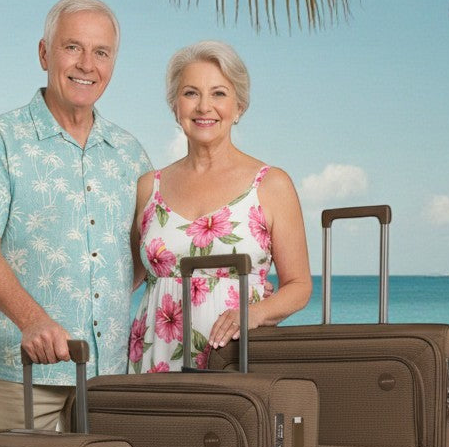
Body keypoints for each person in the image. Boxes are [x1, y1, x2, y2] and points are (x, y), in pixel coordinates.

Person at [0, 0, 151, 429]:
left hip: (108, 373)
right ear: (44, 53)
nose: (86, 64)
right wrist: (33, 320)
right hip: (18, 369)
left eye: (101, 52)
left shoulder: (130, 154)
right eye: (72, 47)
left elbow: (139, 254)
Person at [128, 40, 312, 372]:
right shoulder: (148, 187)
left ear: (239, 107)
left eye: (219, 93)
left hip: (235, 357)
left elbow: (299, 286)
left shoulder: (271, 185)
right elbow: (127, 276)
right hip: (154, 357)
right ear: (175, 106)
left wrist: (253, 313)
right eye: (190, 93)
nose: (204, 107)